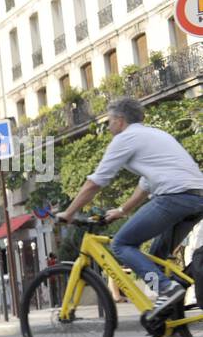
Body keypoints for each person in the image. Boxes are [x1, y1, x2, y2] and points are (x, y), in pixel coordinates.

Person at [57, 96, 203, 321]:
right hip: (196, 198)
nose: (107, 127)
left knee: (121, 244)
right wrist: (122, 210)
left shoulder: (125, 138)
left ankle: (167, 289)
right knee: (156, 257)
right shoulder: (155, 134)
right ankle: (174, 304)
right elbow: (145, 184)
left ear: (120, 120)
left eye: (109, 121)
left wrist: (69, 213)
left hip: (173, 198)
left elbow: (96, 182)